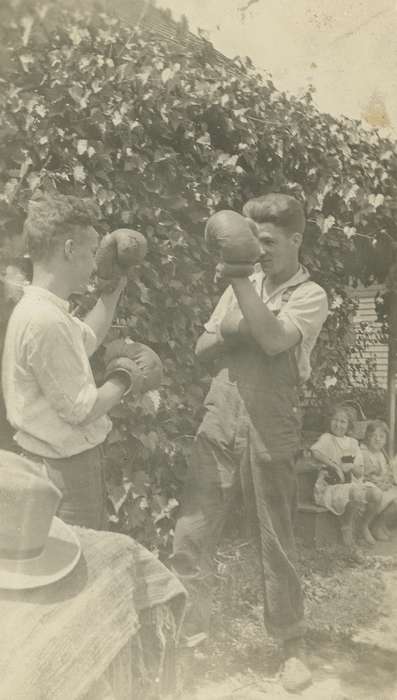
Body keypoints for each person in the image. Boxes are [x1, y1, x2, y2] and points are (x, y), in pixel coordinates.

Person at [170, 193, 328, 692]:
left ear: (296, 239)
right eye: (251, 241)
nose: (259, 251)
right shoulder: (248, 283)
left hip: (272, 416)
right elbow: (201, 347)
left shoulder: (311, 294)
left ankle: (290, 646)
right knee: (192, 530)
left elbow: (279, 341)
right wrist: (241, 324)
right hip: (224, 405)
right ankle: (188, 639)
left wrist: (239, 299)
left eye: (268, 241)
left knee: (275, 536)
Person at [1, 192, 142, 530]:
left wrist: (113, 292)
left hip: (52, 463)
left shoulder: (41, 308)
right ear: (68, 249)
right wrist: (125, 377)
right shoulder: (45, 320)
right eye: (91, 252)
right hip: (62, 470)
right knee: (79, 565)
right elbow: (81, 409)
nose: (95, 264)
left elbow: (85, 341)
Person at [311, 406, 382, 546]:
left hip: (348, 482)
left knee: (377, 494)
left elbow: (360, 471)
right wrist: (334, 465)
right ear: (330, 421)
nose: (338, 425)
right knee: (354, 492)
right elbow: (315, 452)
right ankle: (346, 527)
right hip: (329, 486)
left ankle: (364, 526)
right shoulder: (327, 438)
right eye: (335, 420)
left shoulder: (353, 443)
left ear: (349, 425)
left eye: (343, 421)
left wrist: (352, 467)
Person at [360, 420, 397, 540]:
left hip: (379, 485)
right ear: (367, 437)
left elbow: (385, 474)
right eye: (374, 436)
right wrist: (380, 482)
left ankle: (381, 524)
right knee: (392, 498)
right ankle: (376, 526)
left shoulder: (380, 455)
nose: (377, 439)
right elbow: (364, 475)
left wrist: (387, 480)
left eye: (381, 437)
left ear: (385, 441)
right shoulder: (363, 452)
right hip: (367, 486)